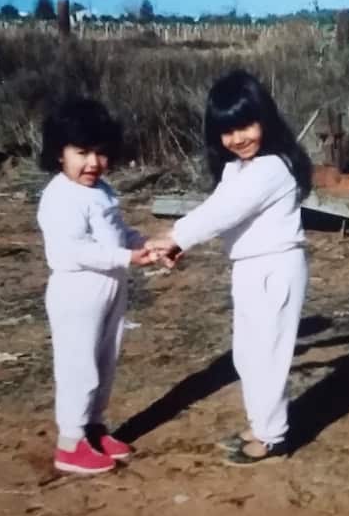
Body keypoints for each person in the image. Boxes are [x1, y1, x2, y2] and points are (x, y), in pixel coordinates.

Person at [147, 69, 312, 465]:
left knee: (267, 355)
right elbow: (219, 209)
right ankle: (261, 424)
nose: (238, 138)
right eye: (227, 131)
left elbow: (224, 212)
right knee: (247, 354)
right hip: (249, 268)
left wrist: (176, 236)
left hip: (275, 267)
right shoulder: (237, 168)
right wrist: (180, 244)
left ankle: (273, 437)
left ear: (265, 120)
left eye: (245, 126)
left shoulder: (272, 167)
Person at [37, 98, 158, 474]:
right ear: (60, 153)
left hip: (110, 286)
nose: (93, 163)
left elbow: (115, 232)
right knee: (79, 365)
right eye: (82, 152)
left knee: (105, 360)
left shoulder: (101, 189)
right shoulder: (60, 196)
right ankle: (70, 443)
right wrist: (126, 257)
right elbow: (76, 250)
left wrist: (144, 244)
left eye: (101, 153)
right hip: (78, 290)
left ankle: (93, 426)